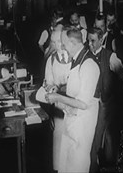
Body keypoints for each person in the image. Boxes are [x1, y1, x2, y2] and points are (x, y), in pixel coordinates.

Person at [45, 27, 100, 173]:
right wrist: (60, 92)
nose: (62, 47)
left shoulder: (89, 65)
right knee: (68, 164)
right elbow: (75, 92)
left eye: (64, 44)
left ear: (72, 43)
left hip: (82, 124)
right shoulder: (77, 61)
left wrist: (57, 97)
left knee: (78, 164)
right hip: (73, 121)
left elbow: (83, 103)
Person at [88, 27, 123, 172]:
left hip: (106, 102)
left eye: (93, 41)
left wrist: (113, 93)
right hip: (91, 101)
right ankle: (94, 163)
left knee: (106, 133)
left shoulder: (110, 56)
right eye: (88, 41)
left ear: (101, 40)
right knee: (93, 133)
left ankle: (108, 165)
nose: (90, 44)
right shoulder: (87, 55)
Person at [42, 30, 71, 173]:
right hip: (58, 106)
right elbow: (48, 82)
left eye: (60, 41)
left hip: (73, 104)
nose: (58, 45)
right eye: (55, 42)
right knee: (59, 140)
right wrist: (52, 86)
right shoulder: (51, 60)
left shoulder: (74, 57)